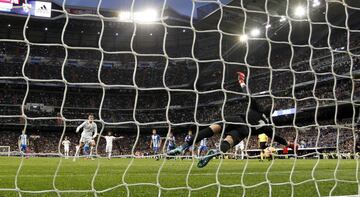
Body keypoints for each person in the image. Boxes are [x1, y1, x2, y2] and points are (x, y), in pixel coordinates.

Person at [168, 72, 298, 168]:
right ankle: (216, 151)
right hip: (245, 131)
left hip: (237, 119)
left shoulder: (259, 109)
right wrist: (289, 145)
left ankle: (183, 146)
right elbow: (277, 138)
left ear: (266, 109)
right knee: (228, 142)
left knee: (210, 130)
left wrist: (242, 81)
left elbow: (248, 95)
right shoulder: (267, 127)